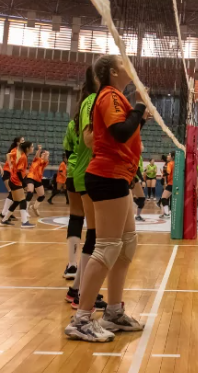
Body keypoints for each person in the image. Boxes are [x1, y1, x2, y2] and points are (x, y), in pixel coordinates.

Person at [64, 54, 148, 342]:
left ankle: (113, 311)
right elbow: (120, 132)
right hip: (107, 175)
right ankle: (81, 319)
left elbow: (124, 135)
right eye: (123, 64)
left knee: (126, 245)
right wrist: (138, 106)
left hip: (119, 175)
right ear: (113, 72)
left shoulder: (116, 98)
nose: (129, 66)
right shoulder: (110, 95)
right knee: (108, 248)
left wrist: (139, 115)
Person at [63, 67, 99, 293]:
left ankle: (72, 264)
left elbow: (67, 152)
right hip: (88, 171)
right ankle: (80, 290)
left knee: (76, 218)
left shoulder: (72, 123)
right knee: (95, 228)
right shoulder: (94, 108)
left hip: (72, 172)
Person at [1, 140, 36, 228]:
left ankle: (4, 220)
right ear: (27, 148)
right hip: (16, 181)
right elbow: (19, 172)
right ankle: (24, 222)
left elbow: (9, 156)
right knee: (22, 200)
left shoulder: (22, 155)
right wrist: (24, 184)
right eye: (32, 146)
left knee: (16, 201)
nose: (33, 148)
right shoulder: (23, 157)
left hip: (13, 181)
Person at [1, 136, 24, 222]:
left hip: (12, 173)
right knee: (12, 192)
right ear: (18, 142)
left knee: (13, 194)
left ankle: (7, 213)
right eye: (22, 140)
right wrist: (10, 165)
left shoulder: (20, 151)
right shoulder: (15, 150)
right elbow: (8, 155)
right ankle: (4, 213)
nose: (23, 141)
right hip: (7, 172)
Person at [26, 148, 49, 217]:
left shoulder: (45, 162)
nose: (44, 155)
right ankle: (25, 210)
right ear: (41, 154)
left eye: (45, 154)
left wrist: (47, 155)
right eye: (43, 153)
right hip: (31, 177)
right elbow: (36, 156)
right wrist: (39, 150)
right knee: (30, 192)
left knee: (42, 196)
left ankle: (34, 207)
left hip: (38, 179)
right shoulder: (36, 159)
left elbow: (46, 160)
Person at [159, 152, 176, 219]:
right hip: (177, 184)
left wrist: (163, 174)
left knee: (164, 198)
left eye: (169, 155)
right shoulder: (177, 164)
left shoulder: (170, 163)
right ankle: (168, 213)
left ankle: (167, 213)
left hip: (171, 184)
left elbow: (168, 172)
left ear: (172, 157)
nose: (167, 156)